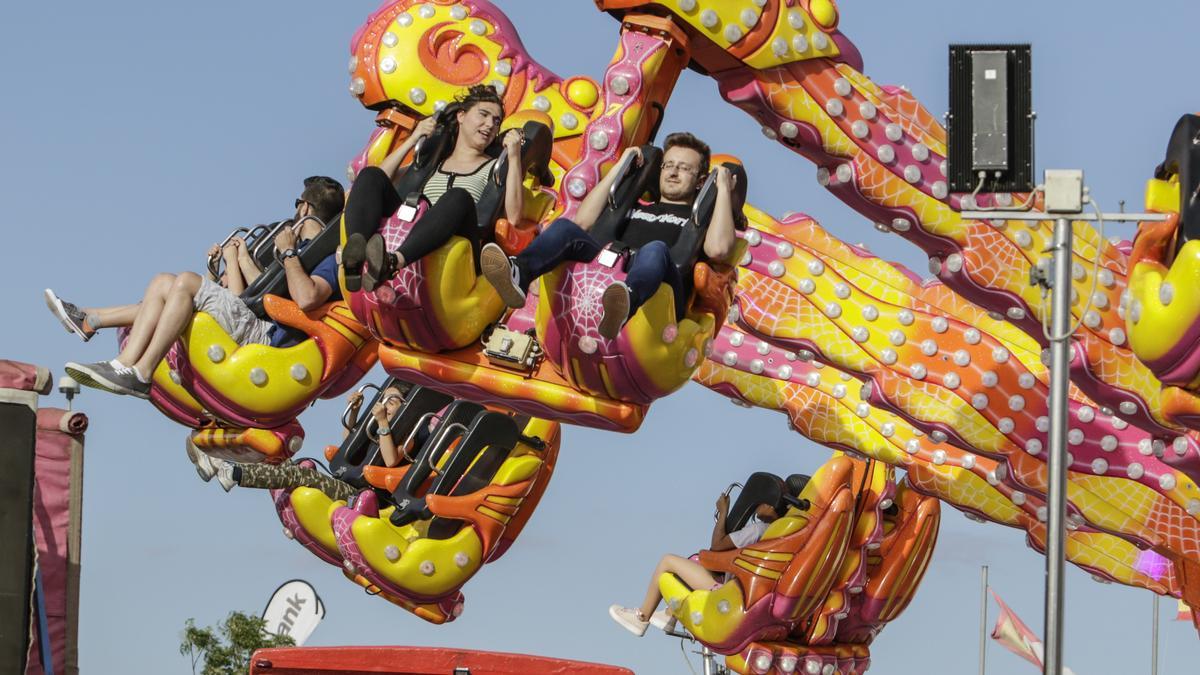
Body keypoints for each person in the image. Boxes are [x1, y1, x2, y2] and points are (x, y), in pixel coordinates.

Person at [54, 176, 346, 398]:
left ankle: (141, 372)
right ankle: (111, 346)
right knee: (163, 281)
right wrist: (239, 258)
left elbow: (302, 297)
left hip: (266, 336)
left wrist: (284, 254)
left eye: (297, 204)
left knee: (186, 282)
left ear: (304, 206)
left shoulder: (322, 256)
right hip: (252, 316)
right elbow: (263, 290)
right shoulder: (295, 245)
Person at [481, 132, 739, 339]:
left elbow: (719, 249)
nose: (672, 173)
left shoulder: (697, 223)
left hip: (660, 289)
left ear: (699, 181)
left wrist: (723, 190)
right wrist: (620, 168)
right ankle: (520, 273)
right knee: (564, 228)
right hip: (608, 267)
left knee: (655, 248)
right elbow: (583, 221)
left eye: (684, 168)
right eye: (668, 165)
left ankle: (625, 302)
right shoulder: (634, 206)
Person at [341, 84, 526, 292]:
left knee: (458, 197)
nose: (490, 124)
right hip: (411, 230)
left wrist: (514, 155)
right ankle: (356, 254)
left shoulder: (496, 168)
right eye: (483, 114)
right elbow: (380, 179)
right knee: (370, 174)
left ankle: (393, 263)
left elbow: (514, 218)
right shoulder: (434, 165)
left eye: (496, 121)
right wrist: (413, 138)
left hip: (459, 249)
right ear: (461, 116)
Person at [607, 490, 785, 637]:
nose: (758, 506)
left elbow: (717, 546)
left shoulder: (760, 529)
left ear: (772, 507)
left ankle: (642, 617)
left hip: (727, 594)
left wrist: (723, 512)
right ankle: (670, 615)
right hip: (750, 596)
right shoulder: (782, 537)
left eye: (763, 502)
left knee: (668, 561)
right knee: (695, 562)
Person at [212, 384, 411, 500]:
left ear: (404, 407)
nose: (386, 406)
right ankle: (224, 460)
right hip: (347, 483)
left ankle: (236, 473)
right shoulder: (375, 428)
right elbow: (348, 444)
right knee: (284, 461)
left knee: (303, 475)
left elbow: (391, 461)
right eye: (384, 400)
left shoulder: (409, 437)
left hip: (364, 496)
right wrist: (355, 411)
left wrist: (383, 421)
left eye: (392, 402)